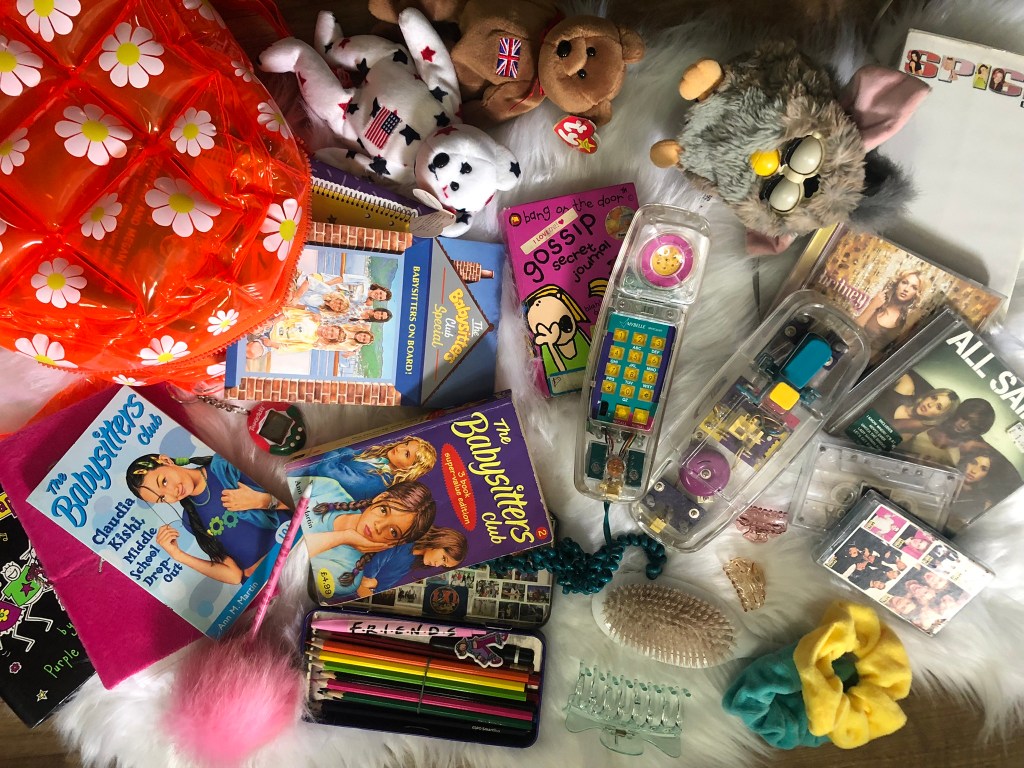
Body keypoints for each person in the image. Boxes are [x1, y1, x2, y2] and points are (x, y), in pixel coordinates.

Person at [126, 454, 289, 585]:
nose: (171, 493)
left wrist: (263, 501)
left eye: (164, 481)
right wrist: (178, 555)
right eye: (162, 498)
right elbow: (234, 576)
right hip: (267, 585)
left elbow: (301, 495)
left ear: (166, 461)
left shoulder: (224, 466)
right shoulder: (191, 520)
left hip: (294, 547)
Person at [303, 481, 438, 593]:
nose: (379, 526)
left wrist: (344, 537)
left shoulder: (347, 578)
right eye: (384, 510)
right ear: (380, 498)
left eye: (393, 531)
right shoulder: (330, 487)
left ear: (398, 542)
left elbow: (295, 561)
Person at [296, 437, 437, 500]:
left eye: (406, 454)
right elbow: (347, 451)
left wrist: (336, 453)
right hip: (303, 472)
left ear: (410, 469)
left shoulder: (379, 483)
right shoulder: (380, 458)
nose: (400, 448)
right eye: (405, 444)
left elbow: (328, 469)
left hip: (305, 491)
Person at [355, 526, 469, 598]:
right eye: (443, 558)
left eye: (443, 565)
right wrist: (370, 581)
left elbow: (381, 586)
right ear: (442, 541)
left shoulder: (412, 563)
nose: (437, 564)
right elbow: (366, 574)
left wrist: (374, 583)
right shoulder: (406, 538)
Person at [865, 370, 960, 442]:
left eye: (938, 407)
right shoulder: (906, 387)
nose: (930, 404)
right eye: (933, 397)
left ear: (940, 416)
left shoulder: (911, 433)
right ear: (928, 395)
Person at [523, 285, 591, 384]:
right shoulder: (546, 348)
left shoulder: (578, 334)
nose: (560, 330)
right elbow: (561, 378)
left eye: (564, 322)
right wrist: (551, 343)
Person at [907, 398, 996, 465]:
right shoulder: (928, 424)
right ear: (960, 412)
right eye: (964, 417)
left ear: (976, 431)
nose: (963, 425)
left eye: (972, 425)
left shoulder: (958, 455)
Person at [855, 270, 927, 351]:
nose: (906, 289)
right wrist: (872, 306)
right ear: (897, 284)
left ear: (916, 294)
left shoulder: (905, 321)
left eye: (913, 287)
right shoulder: (879, 302)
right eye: (904, 282)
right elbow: (852, 330)